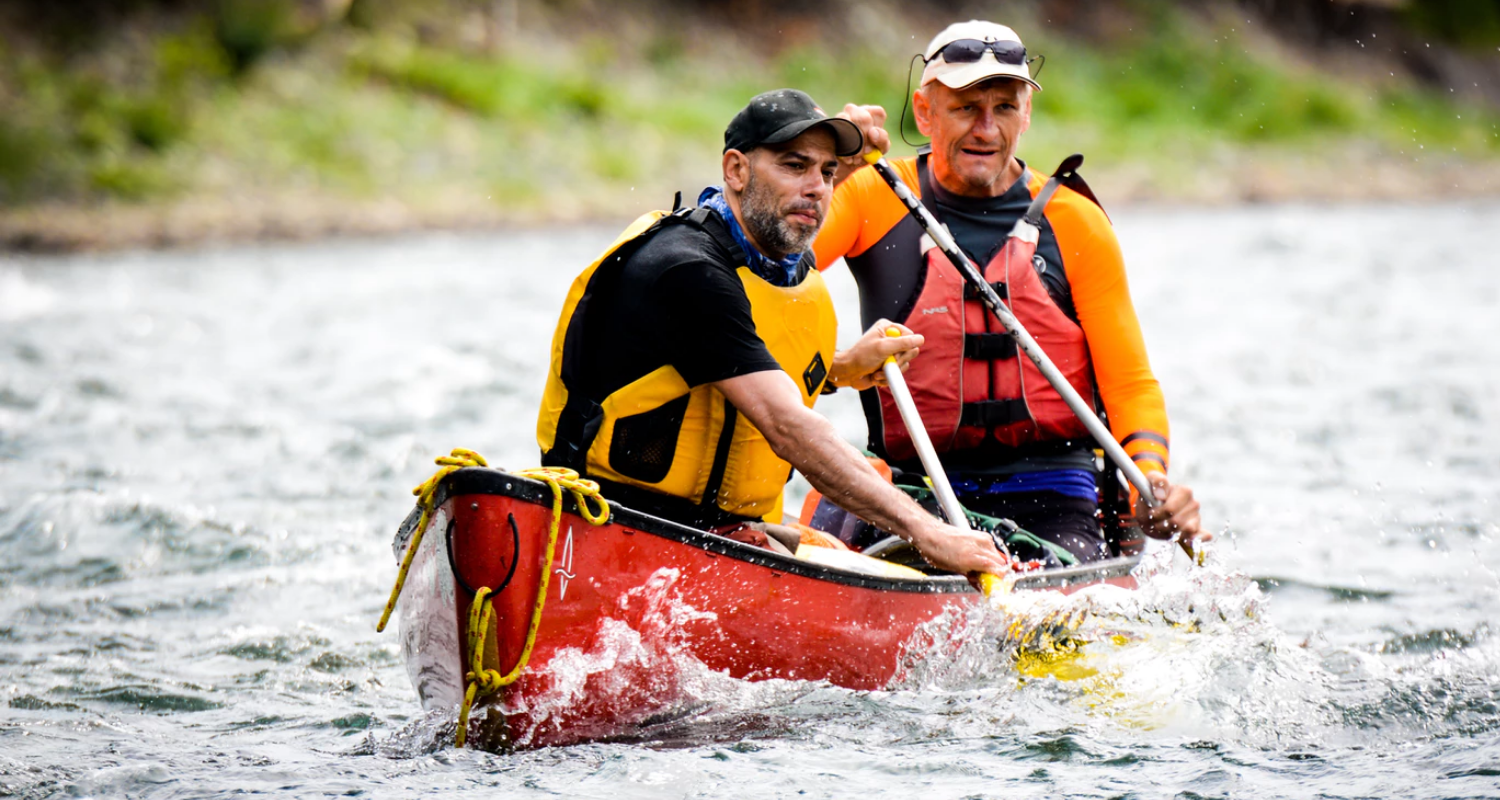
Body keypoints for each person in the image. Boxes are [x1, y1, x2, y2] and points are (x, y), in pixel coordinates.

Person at [535, 88, 1010, 578]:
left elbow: (727, 365)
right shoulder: (685, 269)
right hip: (616, 529)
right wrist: (930, 534)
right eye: (794, 165)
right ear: (736, 171)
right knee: (911, 548)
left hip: (718, 531)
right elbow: (787, 425)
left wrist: (841, 370)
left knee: (870, 560)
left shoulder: (777, 260)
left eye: (828, 173)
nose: (818, 188)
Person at [815, 21, 1205, 563]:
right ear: (924, 112)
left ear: (1026, 115)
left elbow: (1131, 384)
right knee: (820, 544)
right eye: (966, 108)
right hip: (910, 488)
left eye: (1004, 107)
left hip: (1051, 491)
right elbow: (767, 273)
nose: (986, 128)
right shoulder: (869, 196)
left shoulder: (1076, 222)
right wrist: (825, 166)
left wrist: (1151, 484)